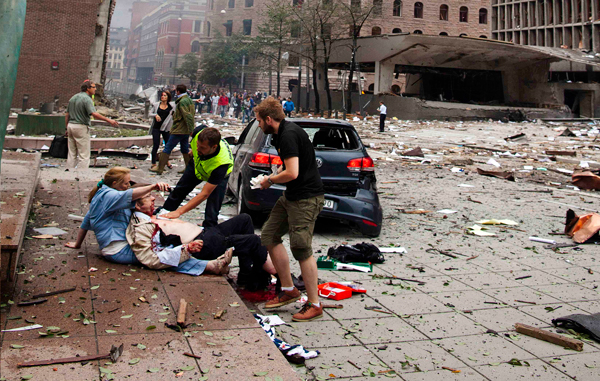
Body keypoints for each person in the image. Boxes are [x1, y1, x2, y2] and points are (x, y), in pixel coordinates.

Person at [256, 97, 325, 322]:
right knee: (269, 235)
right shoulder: (282, 133)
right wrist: (278, 168)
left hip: (306, 199)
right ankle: (288, 289)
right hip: (291, 196)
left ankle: (314, 304)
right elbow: (291, 164)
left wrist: (270, 180)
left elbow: (293, 173)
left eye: (258, 121)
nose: (258, 125)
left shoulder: (287, 135)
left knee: (301, 249)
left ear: (268, 119)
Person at [135, 193, 277, 289]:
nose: (153, 198)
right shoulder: (143, 226)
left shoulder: (155, 215)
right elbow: (151, 256)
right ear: (138, 206)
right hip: (202, 245)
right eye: (148, 197)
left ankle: (246, 275)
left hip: (207, 233)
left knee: (245, 219)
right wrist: (186, 249)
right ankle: (280, 277)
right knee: (253, 241)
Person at [161, 127, 234, 229]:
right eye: (197, 145)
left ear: (213, 147)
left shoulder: (221, 164)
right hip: (198, 166)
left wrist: (179, 212)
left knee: (213, 207)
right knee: (180, 190)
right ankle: (163, 213)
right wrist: (193, 150)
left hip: (217, 176)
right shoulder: (199, 132)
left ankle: (208, 232)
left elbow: (204, 194)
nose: (198, 149)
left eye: (202, 148)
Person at [65, 80, 119, 169]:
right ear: (88, 88)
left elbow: (67, 114)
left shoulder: (73, 98)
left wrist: (66, 128)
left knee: (71, 153)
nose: (95, 89)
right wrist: (109, 120)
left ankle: (68, 173)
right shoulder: (87, 99)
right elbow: (94, 114)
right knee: (84, 155)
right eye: (93, 87)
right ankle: (81, 176)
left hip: (71, 125)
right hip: (81, 126)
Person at [152, 84, 195, 175]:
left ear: (178, 91)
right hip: (186, 130)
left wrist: (191, 129)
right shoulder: (189, 100)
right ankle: (188, 168)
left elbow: (187, 116)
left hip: (179, 129)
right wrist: (190, 128)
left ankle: (160, 168)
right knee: (184, 149)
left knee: (167, 148)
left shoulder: (182, 102)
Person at [149, 91, 175, 172]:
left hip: (166, 128)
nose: (163, 97)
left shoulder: (171, 106)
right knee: (156, 145)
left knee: (168, 146)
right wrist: (155, 115)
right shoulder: (156, 105)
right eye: (162, 95)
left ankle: (166, 161)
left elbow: (181, 101)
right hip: (156, 127)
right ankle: (153, 163)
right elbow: (149, 113)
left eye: (165, 95)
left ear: (168, 97)